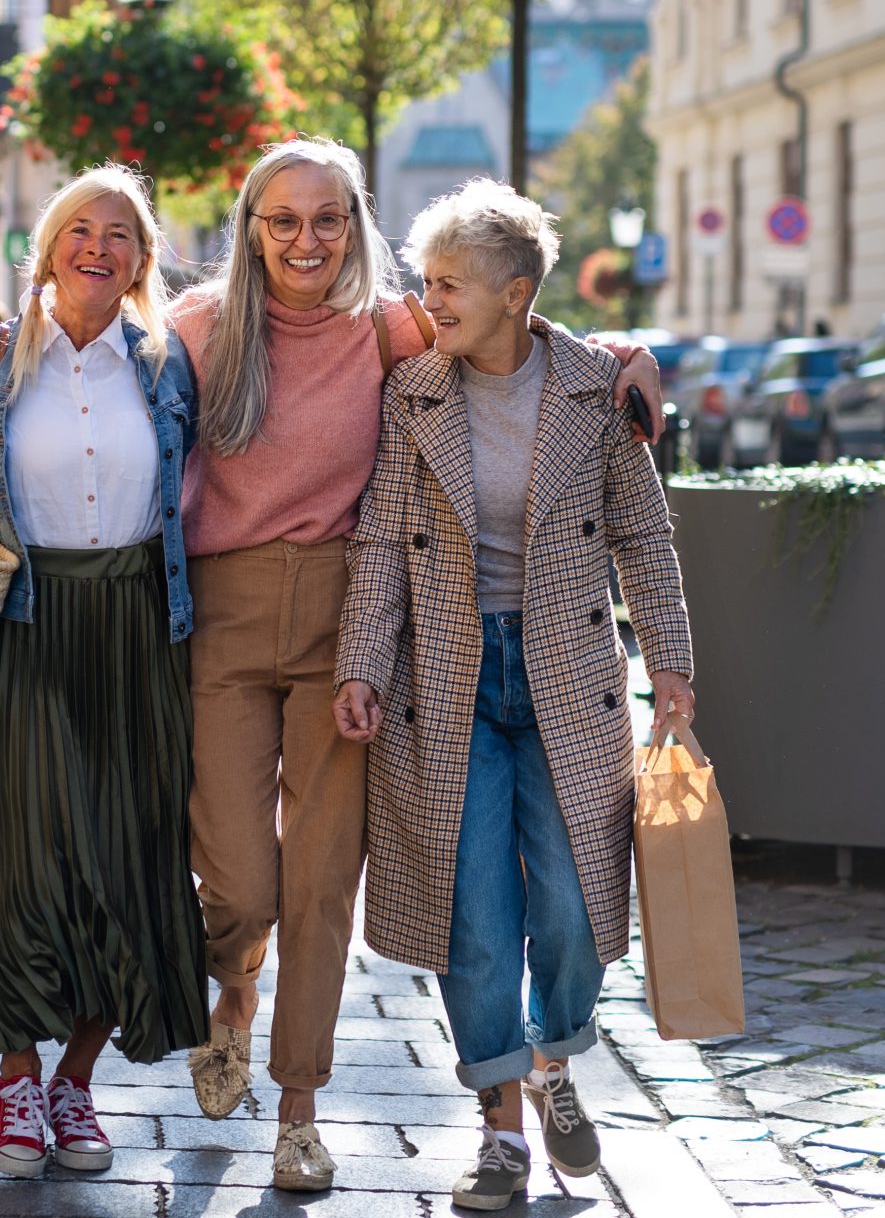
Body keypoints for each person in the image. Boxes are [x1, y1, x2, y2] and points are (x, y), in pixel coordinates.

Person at [0, 137, 669, 1194]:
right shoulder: (195, 330)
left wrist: (618, 354)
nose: (305, 239)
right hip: (214, 625)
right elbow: (75, 376)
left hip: (352, 627)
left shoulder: (390, 328)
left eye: (327, 219)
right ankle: (234, 988)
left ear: (353, 226)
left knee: (319, 883)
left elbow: (506, 328)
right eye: (283, 219)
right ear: (251, 229)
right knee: (236, 882)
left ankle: (299, 1114)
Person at [334, 179, 697, 1212]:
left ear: (517, 292)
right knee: (477, 922)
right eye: (425, 280)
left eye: (449, 284)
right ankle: (499, 1132)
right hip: (442, 682)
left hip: (568, 678)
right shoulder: (414, 392)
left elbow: (643, 534)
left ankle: (551, 1063)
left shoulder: (593, 390)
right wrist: (359, 665)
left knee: (579, 904)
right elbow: (379, 549)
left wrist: (669, 659)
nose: (428, 300)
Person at [0, 165, 208, 1180]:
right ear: (47, 249)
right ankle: (13, 1077)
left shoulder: (170, 365)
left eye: (120, 231)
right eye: (79, 227)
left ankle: (75, 1084)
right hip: (32, 627)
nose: (99, 245)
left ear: (142, 260)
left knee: (132, 859)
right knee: (37, 861)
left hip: (143, 625)